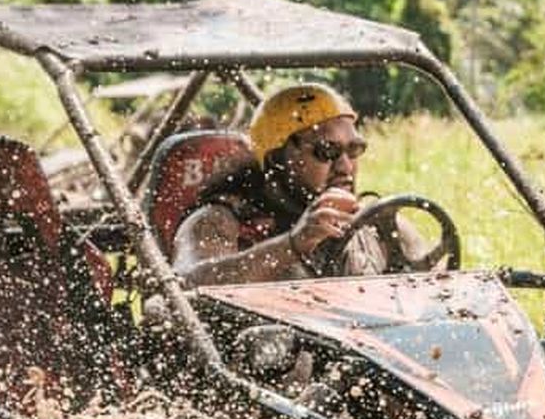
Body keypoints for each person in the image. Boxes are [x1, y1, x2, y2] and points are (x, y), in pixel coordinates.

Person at [172, 83, 425, 287]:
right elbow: (187, 284)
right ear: (277, 160)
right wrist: (292, 245)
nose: (346, 167)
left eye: (354, 149)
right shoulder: (218, 221)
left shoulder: (381, 227)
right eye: (326, 151)